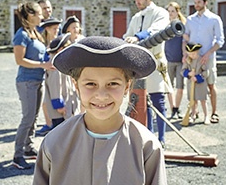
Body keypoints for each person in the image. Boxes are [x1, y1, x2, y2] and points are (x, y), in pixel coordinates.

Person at [33, 36, 167, 184]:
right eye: (90, 84)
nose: (102, 96)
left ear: (127, 87)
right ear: (76, 86)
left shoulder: (147, 146)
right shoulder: (54, 143)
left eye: (113, 83)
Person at [123, 0, 173, 148]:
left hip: (155, 62)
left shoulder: (161, 13)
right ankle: (149, 135)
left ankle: (162, 138)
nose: (137, 2)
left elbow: (156, 30)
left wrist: (137, 37)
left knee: (158, 101)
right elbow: (128, 35)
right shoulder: (136, 17)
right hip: (139, 63)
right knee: (144, 102)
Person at [12, 1, 55, 170]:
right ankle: (17, 154)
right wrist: (42, 65)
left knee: (34, 118)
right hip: (27, 81)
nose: (42, 16)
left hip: (38, 80)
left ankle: (29, 148)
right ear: (30, 16)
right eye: (38, 13)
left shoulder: (36, 33)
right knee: (27, 118)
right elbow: (19, 60)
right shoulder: (21, 34)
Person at [182, 0, 224, 123]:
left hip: (208, 58)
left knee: (211, 85)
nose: (196, 5)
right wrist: (185, 54)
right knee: (192, 83)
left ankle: (214, 113)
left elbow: (220, 40)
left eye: (199, 2)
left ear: (205, 2)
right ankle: (194, 112)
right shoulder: (189, 20)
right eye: (195, 2)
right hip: (192, 58)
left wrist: (207, 53)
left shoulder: (215, 19)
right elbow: (185, 38)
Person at [45, 33, 80, 128]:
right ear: (61, 50)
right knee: (60, 135)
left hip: (67, 107)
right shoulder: (55, 67)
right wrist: (59, 106)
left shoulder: (63, 64)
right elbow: (54, 87)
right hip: (61, 111)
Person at [36, 18, 63, 136]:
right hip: (43, 74)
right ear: (47, 29)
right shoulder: (42, 42)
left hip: (54, 75)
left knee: (48, 102)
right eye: (54, 29)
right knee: (45, 103)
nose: (56, 31)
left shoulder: (59, 41)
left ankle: (51, 124)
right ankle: (49, 123)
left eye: (58, 28)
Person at [165, 2, 186, 119]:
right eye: (168, 11)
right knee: (169, 87)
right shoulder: (165, 25)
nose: (170, 13)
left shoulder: (183, 25)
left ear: (177, 11)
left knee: (180, 87)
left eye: (172, 11)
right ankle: (173, 108)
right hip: (169, 60)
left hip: (181, 60)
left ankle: (177, 108)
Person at [181, 42, 210, 125]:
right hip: (191, 84)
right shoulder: (187, 60)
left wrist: (198, 77)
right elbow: (182, 71)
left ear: (197, 52)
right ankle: (193, 115)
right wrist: (189, 73)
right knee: (193, 101)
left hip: (200, 84)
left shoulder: (201, 60)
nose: (192, 56)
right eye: (190, 54)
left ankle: (206, 116)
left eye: (193, 54)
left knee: (203, 100)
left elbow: (206, 72)